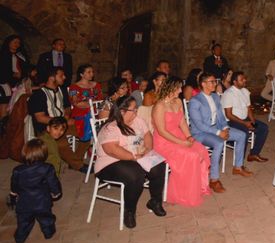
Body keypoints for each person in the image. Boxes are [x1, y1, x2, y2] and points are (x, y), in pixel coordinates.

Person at [96, 96, 167, 228]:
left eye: (136, 109)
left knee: (158, 165)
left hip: (135, 158)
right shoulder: (111, 128)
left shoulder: (138, 121)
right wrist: (135, 157)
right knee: (135, 175)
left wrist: (147, 149)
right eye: (133, 109)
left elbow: (147, 136)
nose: (136, 112)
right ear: (122, 111)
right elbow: (111, 150)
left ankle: (155, 201)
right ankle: (129, 211)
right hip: (110, 163)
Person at [189, 71, 252, 192]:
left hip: (217, 127)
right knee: (218, 142)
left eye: (215, 81)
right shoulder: (195, 101)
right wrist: (218, 133)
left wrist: (225, 128)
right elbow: (199, 125)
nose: (215, 84)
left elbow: (221, 117)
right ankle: (214, 180)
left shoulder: (215, 97)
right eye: (212, 82)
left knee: (241, 135)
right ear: (203, 84)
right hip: (201, 133)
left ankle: (238, 167)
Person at [152, 77, 211, 207]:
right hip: (164, 142)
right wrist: (182, 143)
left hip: (178, 135)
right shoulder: (159, 106)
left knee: (201, 150)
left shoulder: (178, 102)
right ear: (171, 88)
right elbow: (162, 131)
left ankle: (199, 187)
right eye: (178, 87)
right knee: (191, 156)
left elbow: (182, 122)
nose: (180, 90)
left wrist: (189, 137)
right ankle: (184, 193)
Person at [27, 67, 88, 171]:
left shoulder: (62, 90)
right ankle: (78, 164)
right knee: (62, 142)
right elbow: (40, 118)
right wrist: (61, 123)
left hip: (63, 123)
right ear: (51, 78)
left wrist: (67, 116)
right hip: (48, 128)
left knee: (86, 132)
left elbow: (67, 108)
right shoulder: (39, 95)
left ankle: (74, 161)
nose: (64, 77)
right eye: (61, 75)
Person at [10, 138, 62, 243]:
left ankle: (19, 239)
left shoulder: (17, 170)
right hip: (42, 203)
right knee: (46, 219)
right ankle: (48, 233)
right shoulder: (47, 168)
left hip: (24, 204)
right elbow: (53, 182)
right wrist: (56, 192)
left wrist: (13, 194)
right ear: (44, 154)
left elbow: (14, 186)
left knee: (23, 222)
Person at [222, 71, 269, 163]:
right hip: (232, 121)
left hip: (245, 119)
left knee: (263, 128)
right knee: (244, 132)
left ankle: (253, 154)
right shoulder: (228, 94)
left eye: (244, 78)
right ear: (235, 82)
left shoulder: (245, 91)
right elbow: (229, 115)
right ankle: (239, 163)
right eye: (241, 79)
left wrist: (252, 122)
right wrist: (245, 123)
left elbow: (248, 109)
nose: (244, 80)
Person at [68, 64, 104, 138]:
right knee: (91, 118)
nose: (92, 74)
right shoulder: (74, 87)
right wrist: (91, 104)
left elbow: (101, 99)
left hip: (96, 111)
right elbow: (76, 103)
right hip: (82, 113)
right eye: (89, 72)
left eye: (92, 72)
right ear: (81, 74)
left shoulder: (97, 85)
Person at [1, 34, 28, 116]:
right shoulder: (3, 54)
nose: (17, 44)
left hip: (17, 82)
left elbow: (25, 68)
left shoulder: (20, 55)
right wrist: (13, 74)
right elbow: (2, 69)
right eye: (14, 42)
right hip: (5, 81)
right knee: (6, 101)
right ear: (9, 43)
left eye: (18, 43)